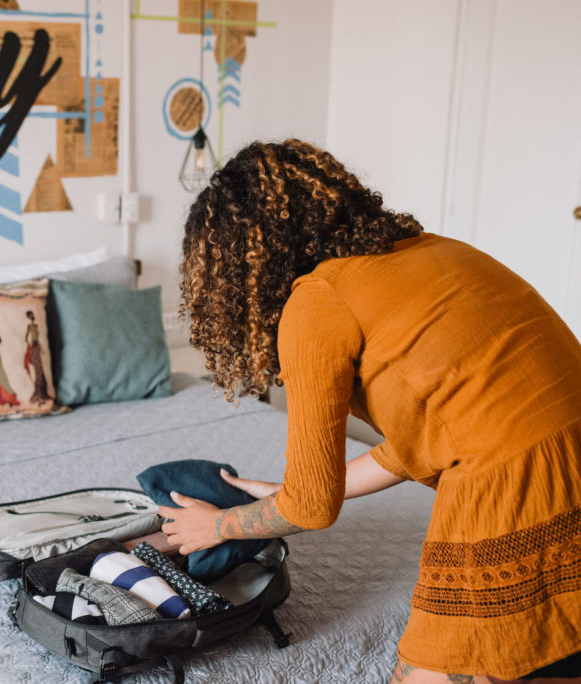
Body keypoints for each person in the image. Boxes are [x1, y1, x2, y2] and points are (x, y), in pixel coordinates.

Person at [160, 139, 581, 682]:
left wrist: (219, 526)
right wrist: (284, 493)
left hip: (514, 485)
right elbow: (433, 431)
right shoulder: (430, 249)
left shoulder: (315, 305)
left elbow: (312, 509)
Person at [23, 310, 52, 404]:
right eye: (30, 316)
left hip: (38, 348)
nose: (32, 317)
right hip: (34, 349)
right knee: (38, 370)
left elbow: (37, 336)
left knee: (41, 370)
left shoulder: (36, 325)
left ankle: (43, 392)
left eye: (32, 315)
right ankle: (39, 393)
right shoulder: (29, 326)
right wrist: (30, 344)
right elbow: (26, 337)